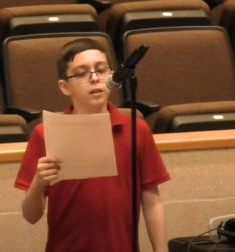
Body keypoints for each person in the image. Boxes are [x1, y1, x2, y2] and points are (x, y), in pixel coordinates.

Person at [14, 38, 170, 252]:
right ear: (64, 86)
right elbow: (30, 216)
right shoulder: (45, 133)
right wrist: (38, 183)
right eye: (81, 73)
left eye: (101, 69)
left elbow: (152, 201)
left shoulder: (136, 129)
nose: (95, 79)